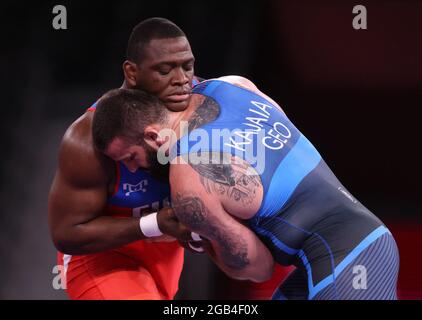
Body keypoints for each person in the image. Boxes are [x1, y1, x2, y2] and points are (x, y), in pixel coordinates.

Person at [92, 75, 400, 300]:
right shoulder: (232, 85)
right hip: (353, 249)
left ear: (151, 136)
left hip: (348, 260)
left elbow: (257, 268)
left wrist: (200, 236)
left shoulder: (187, 179)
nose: (132, 169)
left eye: (129, 158)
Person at [48, 17, 201, 300]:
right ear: (132, 73)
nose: (181, 80)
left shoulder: (206, 109)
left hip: (164, 259)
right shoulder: (86, 142)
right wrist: (154, 223)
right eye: (165, 70)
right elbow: (67, 232)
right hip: (101, 260)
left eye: (187, 67)